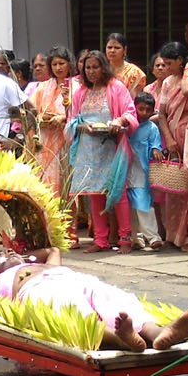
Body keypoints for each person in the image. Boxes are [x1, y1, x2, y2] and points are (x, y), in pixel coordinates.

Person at [0, 245, 188, 350]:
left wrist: (26, 255)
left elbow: (52, 249)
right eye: (1, 254)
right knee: (77, 315)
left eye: (11, 249)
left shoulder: (46, 264)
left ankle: (157, 333)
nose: (9, 251)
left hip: (74, 280)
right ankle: (122, 340)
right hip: (39, 292)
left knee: (118, 299)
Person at [66, 49, 137, 252]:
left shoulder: (116, 88)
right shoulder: (80, 92)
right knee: (94, 194)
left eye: (95, 67)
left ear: (103, 67)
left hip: (111, 147)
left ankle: (125, 237)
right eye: (87, 67)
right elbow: (72, 121)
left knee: (117, 192)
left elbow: (130, 112)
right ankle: (101, 240)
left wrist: (119, 121)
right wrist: (82, 127)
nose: (91, 71)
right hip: (87, 149)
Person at [147, 41, 188, 250]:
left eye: (169, 63)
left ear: (179, 61)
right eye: (163, 63)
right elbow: (163, 114)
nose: (166, 68)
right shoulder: (166, 83)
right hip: (175, 141)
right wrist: (170, 139)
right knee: (175, 189)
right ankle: (176, 236)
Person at [26, 46, 75, 194]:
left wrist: (63, 118)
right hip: (45, 141)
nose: (58, 68)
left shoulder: (77, 86)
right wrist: (41, 118)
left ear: (69, 64)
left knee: (65, 185)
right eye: (54, 64)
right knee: (45, 186)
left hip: (66, 142)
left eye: (62, 63)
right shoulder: (43, 87)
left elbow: (81, 114)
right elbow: (31, 111)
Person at [126, 91, 165, 251]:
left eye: (148, 110)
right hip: (127, 168)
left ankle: (153, 237)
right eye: (140, 109)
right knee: (130, 205)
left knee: (143, 202)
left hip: (142, 170)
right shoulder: (128, 125)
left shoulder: (151, 128)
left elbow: (156, 144)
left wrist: (156, 149)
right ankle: (136, 237)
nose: (144, 113)